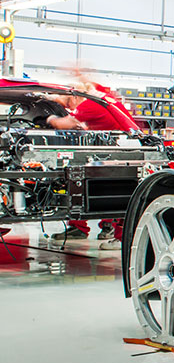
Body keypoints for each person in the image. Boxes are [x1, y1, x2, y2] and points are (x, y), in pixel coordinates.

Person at [45, 77, 141, 246]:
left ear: (75, 96)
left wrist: (48, 118)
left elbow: (63, 123)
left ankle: (120, 236)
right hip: (119, 148)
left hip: (122, 151)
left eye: (67, 104)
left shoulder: (88, 103)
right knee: (89, 184)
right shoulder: (99, 97)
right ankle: (82, 227)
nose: (68, 108)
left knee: (114, 191)